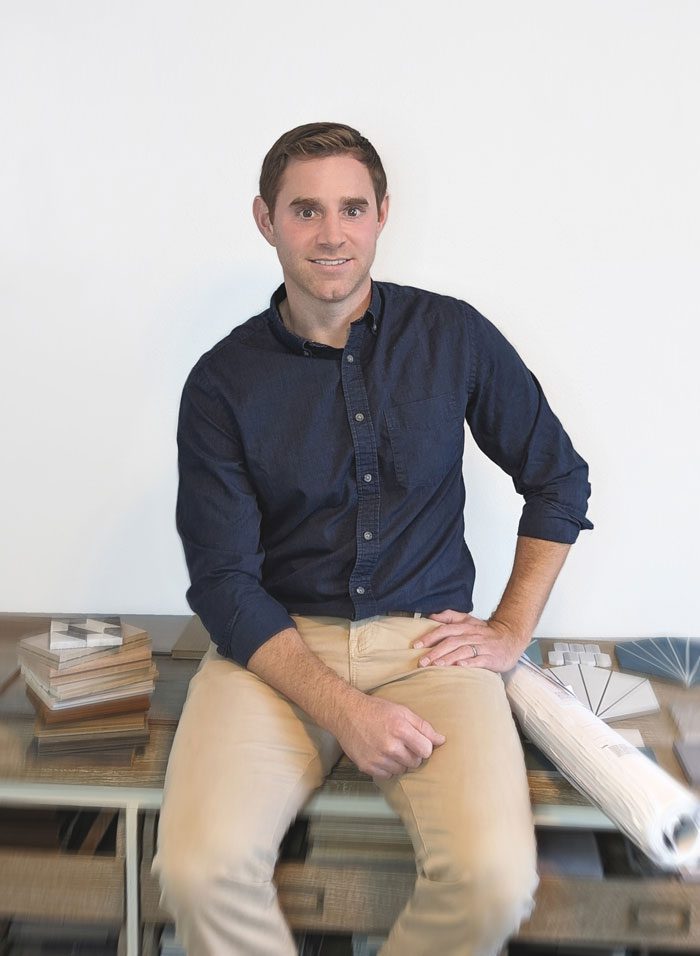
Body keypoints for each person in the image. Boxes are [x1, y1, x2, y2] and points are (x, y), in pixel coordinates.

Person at [153, 122, 593, 956]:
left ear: (383, 213)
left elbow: (558, 477)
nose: (331, 233)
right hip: (276, 653)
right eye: (306, 210)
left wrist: (509, 630)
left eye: (352, 208)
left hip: (431, 651)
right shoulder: (221, 381)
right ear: (265, 219)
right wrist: (347, 711)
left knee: (496, 879)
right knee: (198, 871)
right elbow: (222, 584)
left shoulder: (453, 336)